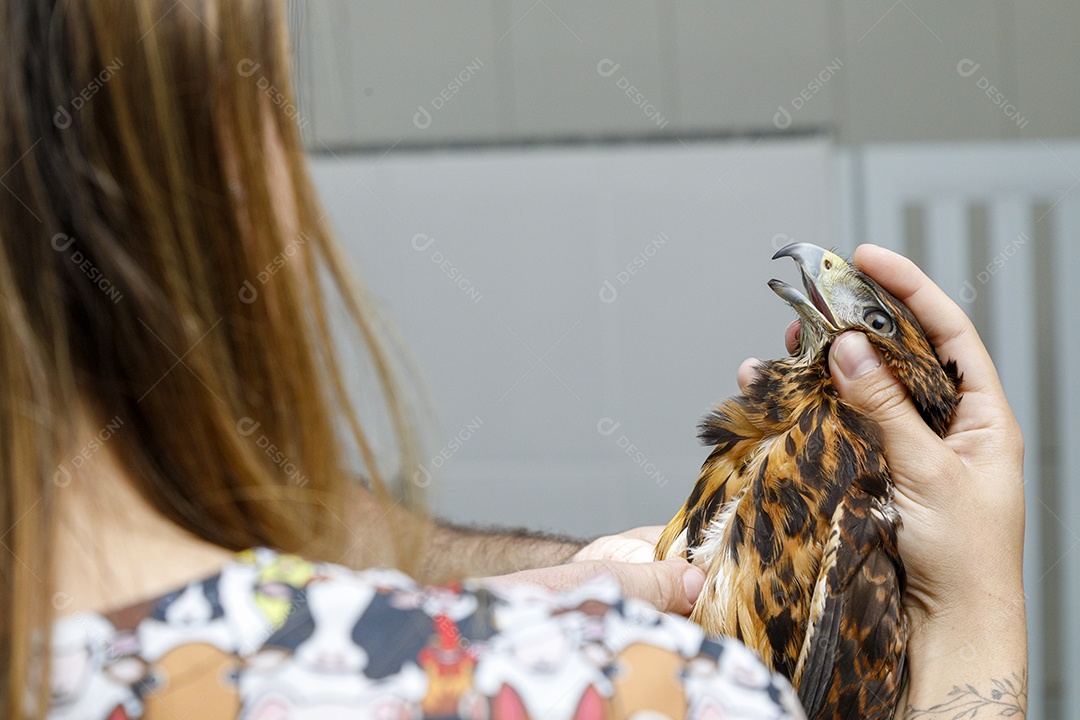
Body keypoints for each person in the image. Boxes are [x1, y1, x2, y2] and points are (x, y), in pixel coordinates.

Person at [0, 1, 1025, 718]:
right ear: (211, 168)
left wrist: (526, 605)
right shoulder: (634, 688)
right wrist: (980, 619)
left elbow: (293, 535)